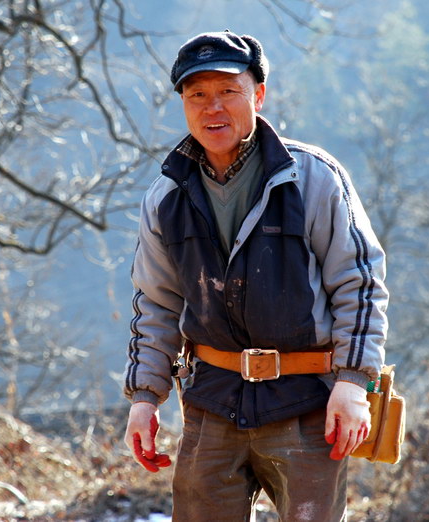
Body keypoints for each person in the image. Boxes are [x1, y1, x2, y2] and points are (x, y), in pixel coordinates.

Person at [123, 30, 389, 521]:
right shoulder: (166, 195)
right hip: (210, 405)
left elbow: (361, 283)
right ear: (183, 102)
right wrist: (145, 397)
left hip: (307, 405)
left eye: (228, 91)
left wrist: (354, 385)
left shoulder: (313, 177)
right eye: (197, 94)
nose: (212, 107)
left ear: (258, 95)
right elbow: (155, 303)